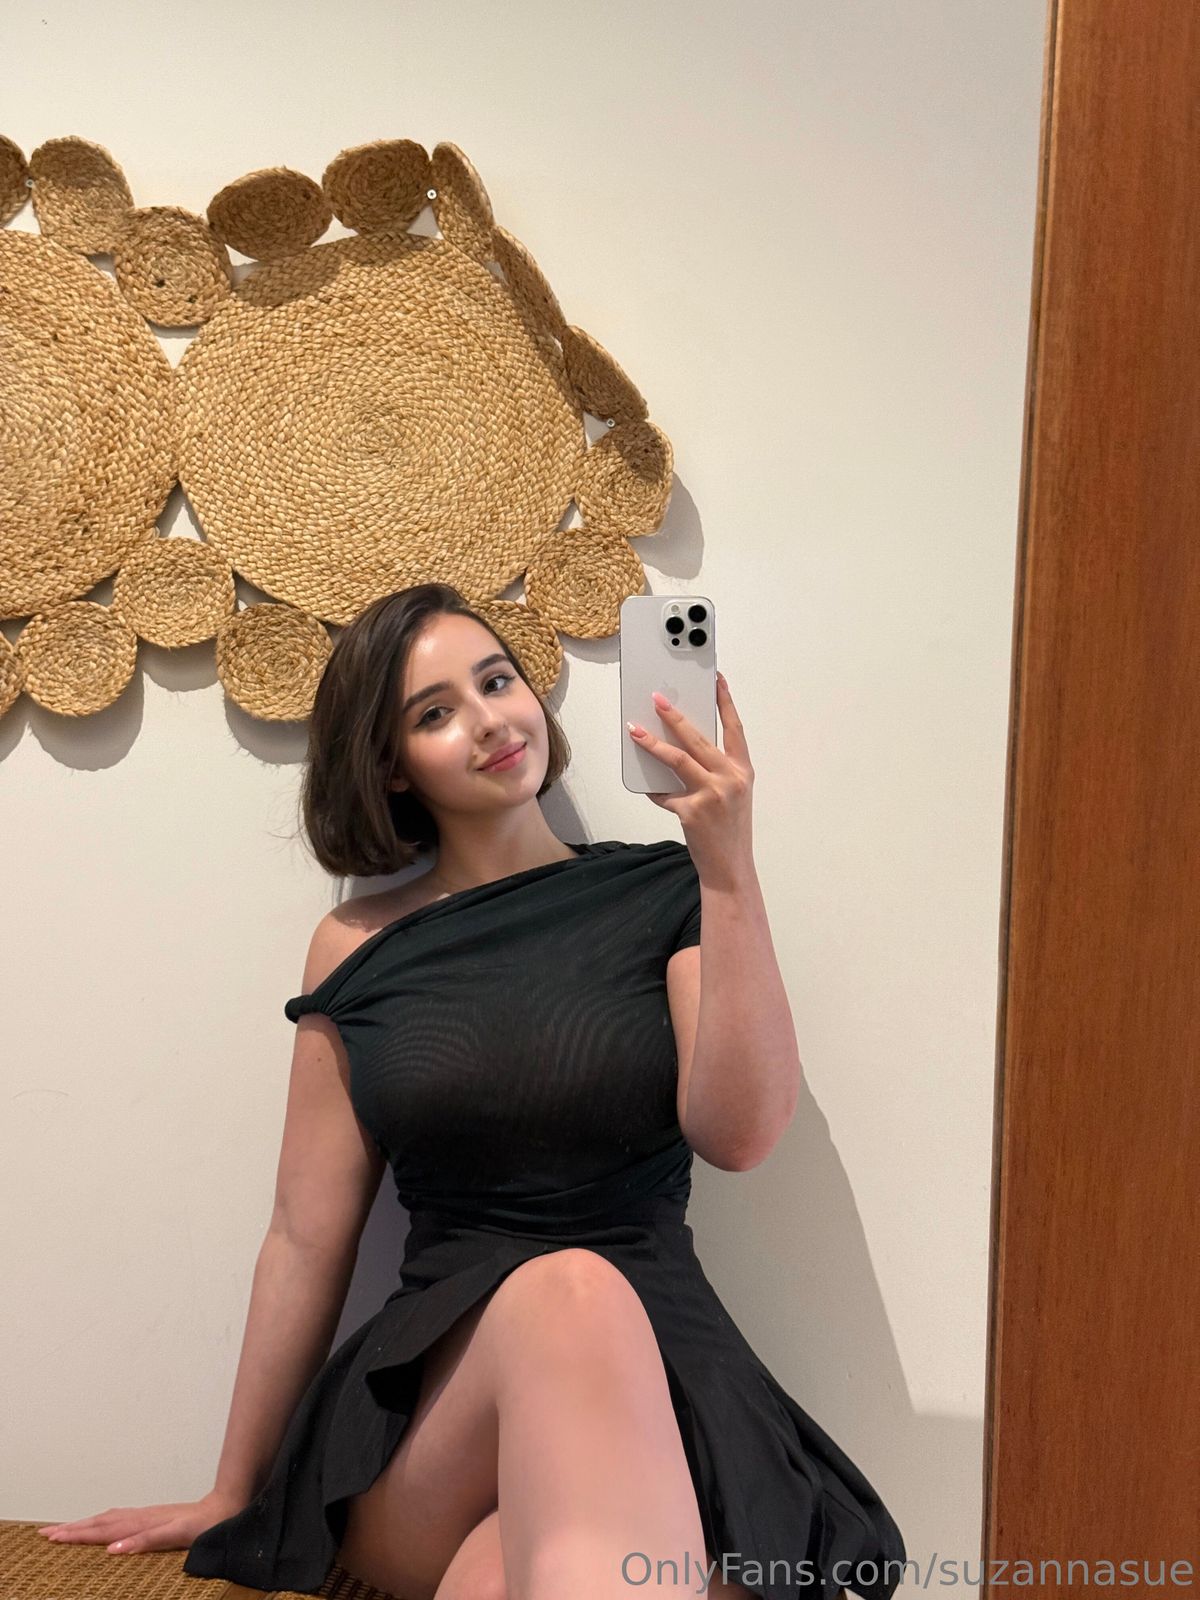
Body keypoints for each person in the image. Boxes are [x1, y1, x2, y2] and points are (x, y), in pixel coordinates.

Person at [37, 583, 905, 1600]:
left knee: (508, 1570)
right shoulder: (355, 945)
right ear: (390, 766)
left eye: (496, 682)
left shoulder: (665, 890)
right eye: (435, 712)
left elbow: (741, 1133)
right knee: (571, 1289)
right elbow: (305, 1236)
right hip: (435, 1416)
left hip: (668, 1374)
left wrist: (727, 872)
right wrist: (233, 1487)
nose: (488, 720)